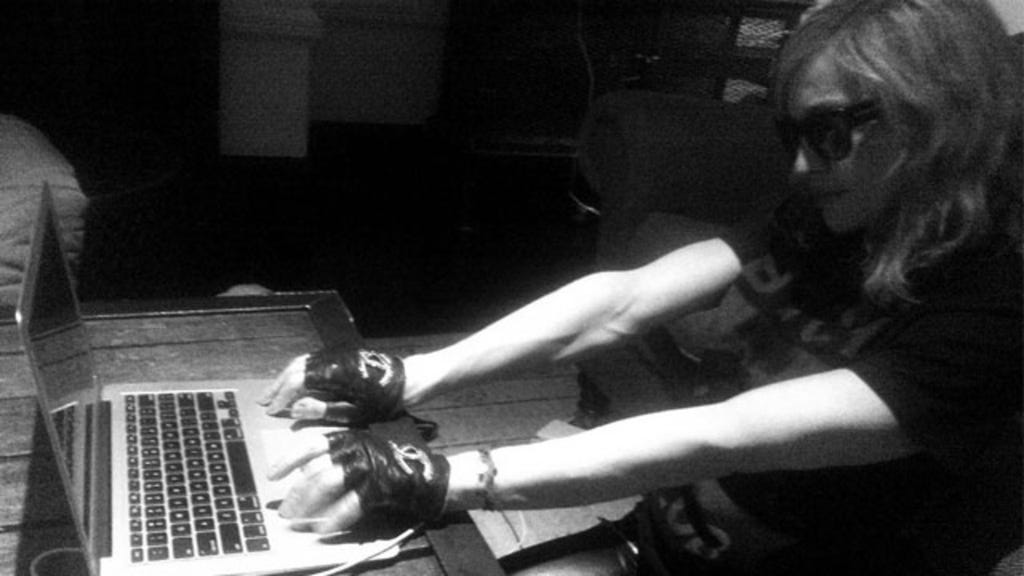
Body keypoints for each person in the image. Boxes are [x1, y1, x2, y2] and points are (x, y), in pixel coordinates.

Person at [257, 0, 1022, 574]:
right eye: (792, 136)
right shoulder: (837, 212)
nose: (798, 167)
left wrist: (442, 477)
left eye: (828, 133)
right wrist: (408, 374)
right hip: (663, 544)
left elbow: (729, 433)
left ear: (934, 111)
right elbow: (625, 299)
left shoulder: (996, 299)